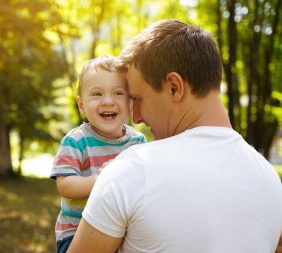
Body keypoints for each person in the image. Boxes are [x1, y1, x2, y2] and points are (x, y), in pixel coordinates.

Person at [68, 19, 282, 253]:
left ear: (174, 87)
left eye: (137, 99)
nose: (136, 117)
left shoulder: (132, 170)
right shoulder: (270, 181)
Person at [50, 55, 146, 253]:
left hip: (123, 231)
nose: (108, 101)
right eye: (97, 94)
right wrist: (102, 179)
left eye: (119, 93)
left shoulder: (137, 142)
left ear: (131, 103)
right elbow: (65, 185)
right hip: (77, 234)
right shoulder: (76, 141)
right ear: (82, 105)